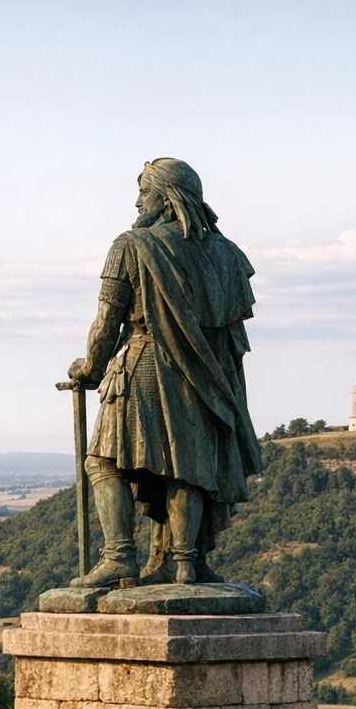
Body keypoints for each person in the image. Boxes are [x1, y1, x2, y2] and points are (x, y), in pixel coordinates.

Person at [69, 157, 264, 586]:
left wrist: (89, 367)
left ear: (167, 197)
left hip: (143, 366)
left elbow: (107, 322)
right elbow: (232, 341)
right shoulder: (229, 255)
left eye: (144, 191)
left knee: (104, 463)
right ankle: (184, 562)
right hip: (206, 380)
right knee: (187, 467)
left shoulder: (132, 245)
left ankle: (119, 555)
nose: (138, 202)